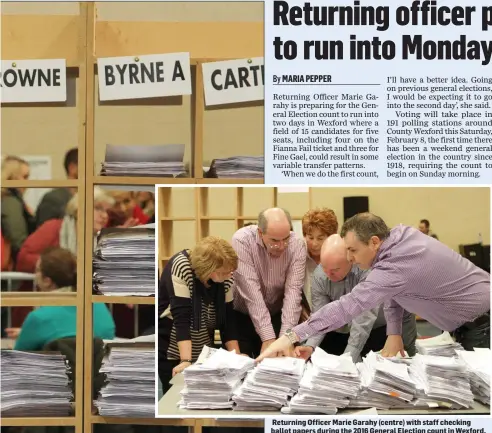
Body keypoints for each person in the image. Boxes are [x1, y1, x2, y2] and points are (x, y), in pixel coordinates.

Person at [256, 213, 490, 362]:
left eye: (353, 250)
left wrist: (291, 335)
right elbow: (396, 290)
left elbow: (349, 307)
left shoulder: (394, 267)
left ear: (374, 242)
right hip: (473, 321)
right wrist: (394, 332)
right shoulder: (400, 236)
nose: (350, 257)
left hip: (483, 325)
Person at [296, 234, 417, 362]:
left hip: (388, 325)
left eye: (334, 270)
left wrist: (348, 357)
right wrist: (310, 346)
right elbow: (321, 316)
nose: (328, 274)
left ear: (350, 260)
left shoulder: (366, 269)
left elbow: (364, 318)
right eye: (324, 267)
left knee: (404, 362)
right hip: (351, 330)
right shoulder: (320, 275)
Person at [157, 236, 242, 392]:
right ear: (208, 269)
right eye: (224, 272)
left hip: (203, 349)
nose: (229, 276)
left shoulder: (226, 277)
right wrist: (185, 360)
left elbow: (228, 319)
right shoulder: (182, 266)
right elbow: (181, 319)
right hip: (174, 347)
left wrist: (236, 356)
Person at [232, 208, 306, 358]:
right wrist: (268, 338)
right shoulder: (242, 240)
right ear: (260, 233)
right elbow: (252, 294)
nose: (281, 246)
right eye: (274, 240)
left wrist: (287, 338)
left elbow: (293, 294)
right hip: (243, 316)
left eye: (285, 239)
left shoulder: (297, 244)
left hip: (278, 316)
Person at [6, 247, 115, 350]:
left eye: (37, 270)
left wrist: (31, 331)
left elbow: (17, 361)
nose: (35, 275)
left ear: (47, 281)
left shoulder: (38, 318)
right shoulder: (100, 307)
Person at [301, 208, 338, 309]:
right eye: (310, 237)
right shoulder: (299, 256)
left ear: (331, 237)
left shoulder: (339, 258)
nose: (314, 244)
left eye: (320, 238)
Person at [1, 156, 36, 262]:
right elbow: (18, 240)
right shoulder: (10, 202)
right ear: (12, 178)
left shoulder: (10, 200)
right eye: (25, 177)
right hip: (15, 266)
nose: (27, 183)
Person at [35, 148, 78, 227]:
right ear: (72, 168)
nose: (92, 171)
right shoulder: (53, 199)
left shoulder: (90, 198)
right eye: (88, 166)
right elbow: (43, 232)